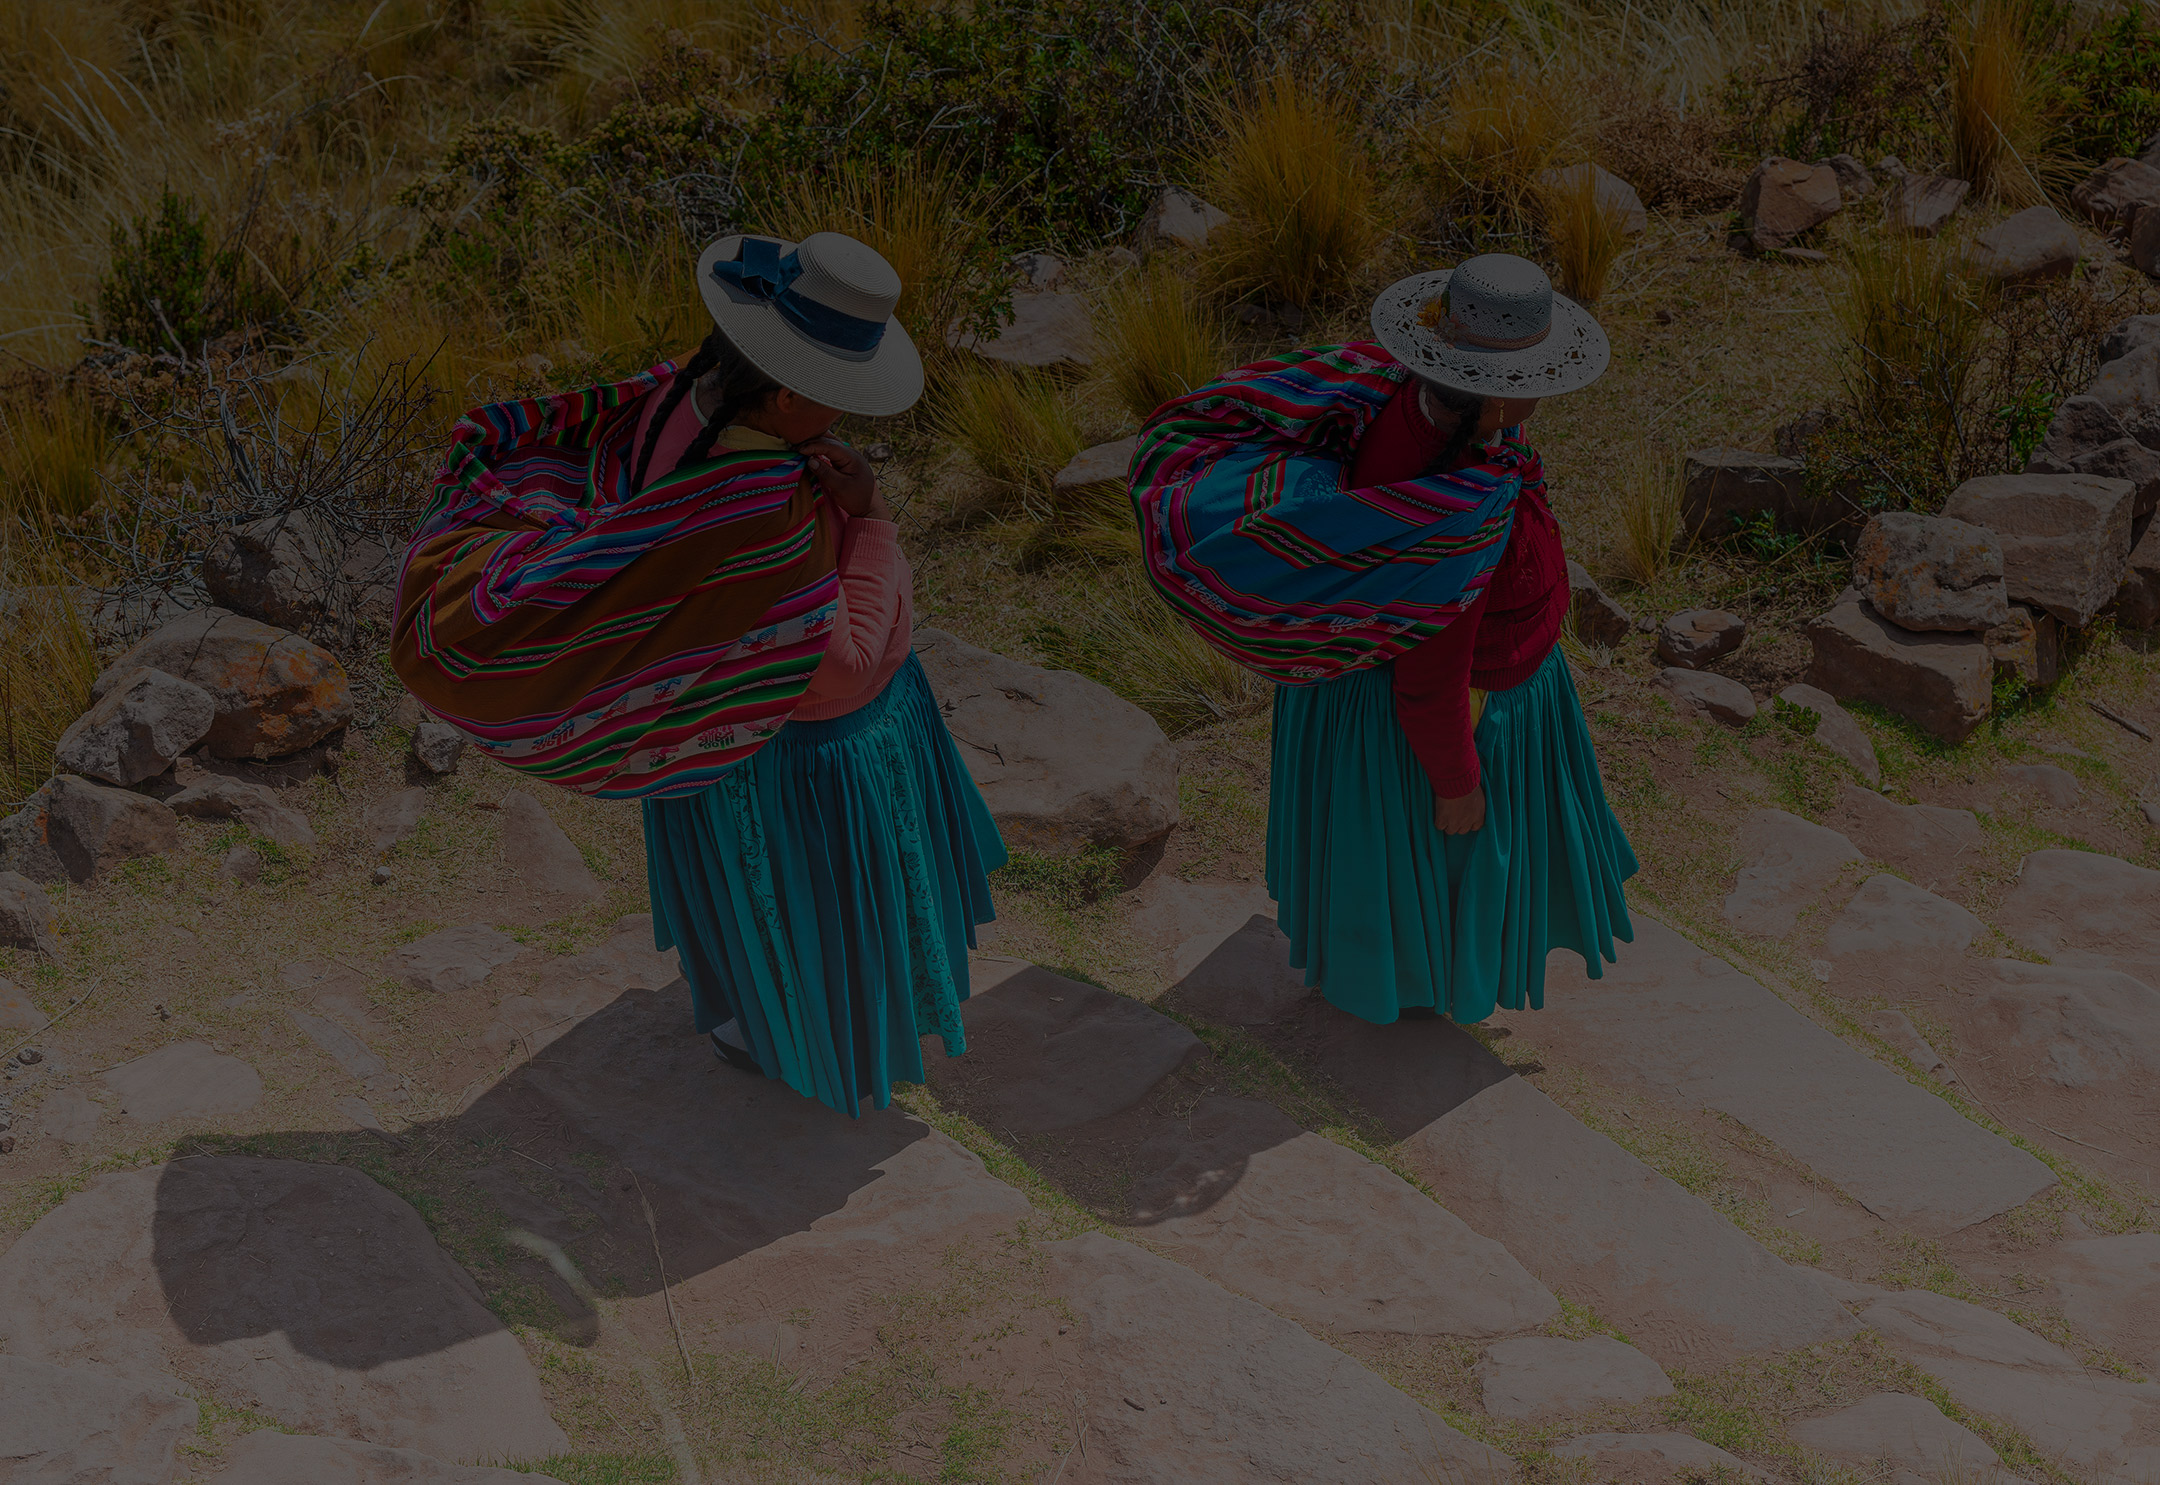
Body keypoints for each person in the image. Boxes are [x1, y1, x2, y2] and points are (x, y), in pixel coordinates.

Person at [394, 231, 1005, 1115]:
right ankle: (820, 1037)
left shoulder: (680, 392)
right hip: (801, 755)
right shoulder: (764, 507)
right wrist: (874, 522)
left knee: (751, 902)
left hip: (706, 730)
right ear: (788, 392)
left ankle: (744, 1018)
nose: (849, 416)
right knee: (818, 910)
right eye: (838, 395)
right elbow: (840, 668)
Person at [1130, 253, 1635, 1026]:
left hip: (1383, 689)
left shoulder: (1408, 396)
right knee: (1442, 851)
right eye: (1539, 371)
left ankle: (1407, 973)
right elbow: (1431, 677)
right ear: (1502, 388)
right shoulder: (1447, 511)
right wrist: (1458, 780)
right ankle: (1420, 988)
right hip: (1432, 718)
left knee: (1396, 859)